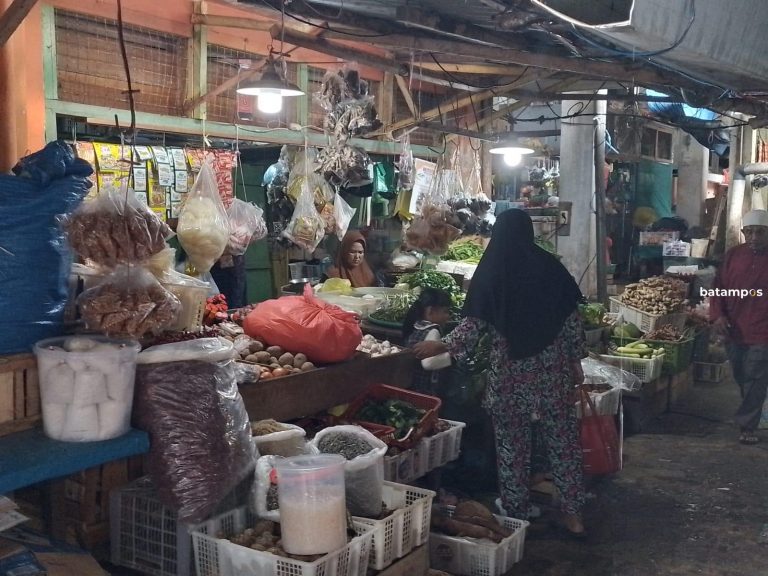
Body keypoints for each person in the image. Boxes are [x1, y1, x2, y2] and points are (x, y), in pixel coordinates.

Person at [413, 209, 588, 537]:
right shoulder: (550, 268)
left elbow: (474, 325)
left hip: (510, 376)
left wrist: (442, 346)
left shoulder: (493, 269)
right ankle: (572, 513)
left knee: (512, 446)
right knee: (563, 442)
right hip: (553, 374)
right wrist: (575, 361)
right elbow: (571, 320)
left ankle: (517, 513)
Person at [710, 209, 768, 445]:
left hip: (763, 331)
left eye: (760, 232)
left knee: (755, 376)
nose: (754, 237)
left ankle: (747, 425)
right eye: (750, 232)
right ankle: (752, 412)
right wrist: (717, 316)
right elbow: (718, 288)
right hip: (734, 330)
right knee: (741, 374)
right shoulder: (733, 256)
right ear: (744, 233)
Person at [402, 288, 454, 395]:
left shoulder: (415, 325)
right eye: (445, 311)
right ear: (430, 311)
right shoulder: (433, 331)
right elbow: (428, 363)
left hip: (411, 383)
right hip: (424, 388)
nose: (448, 316)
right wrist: (452, 356)